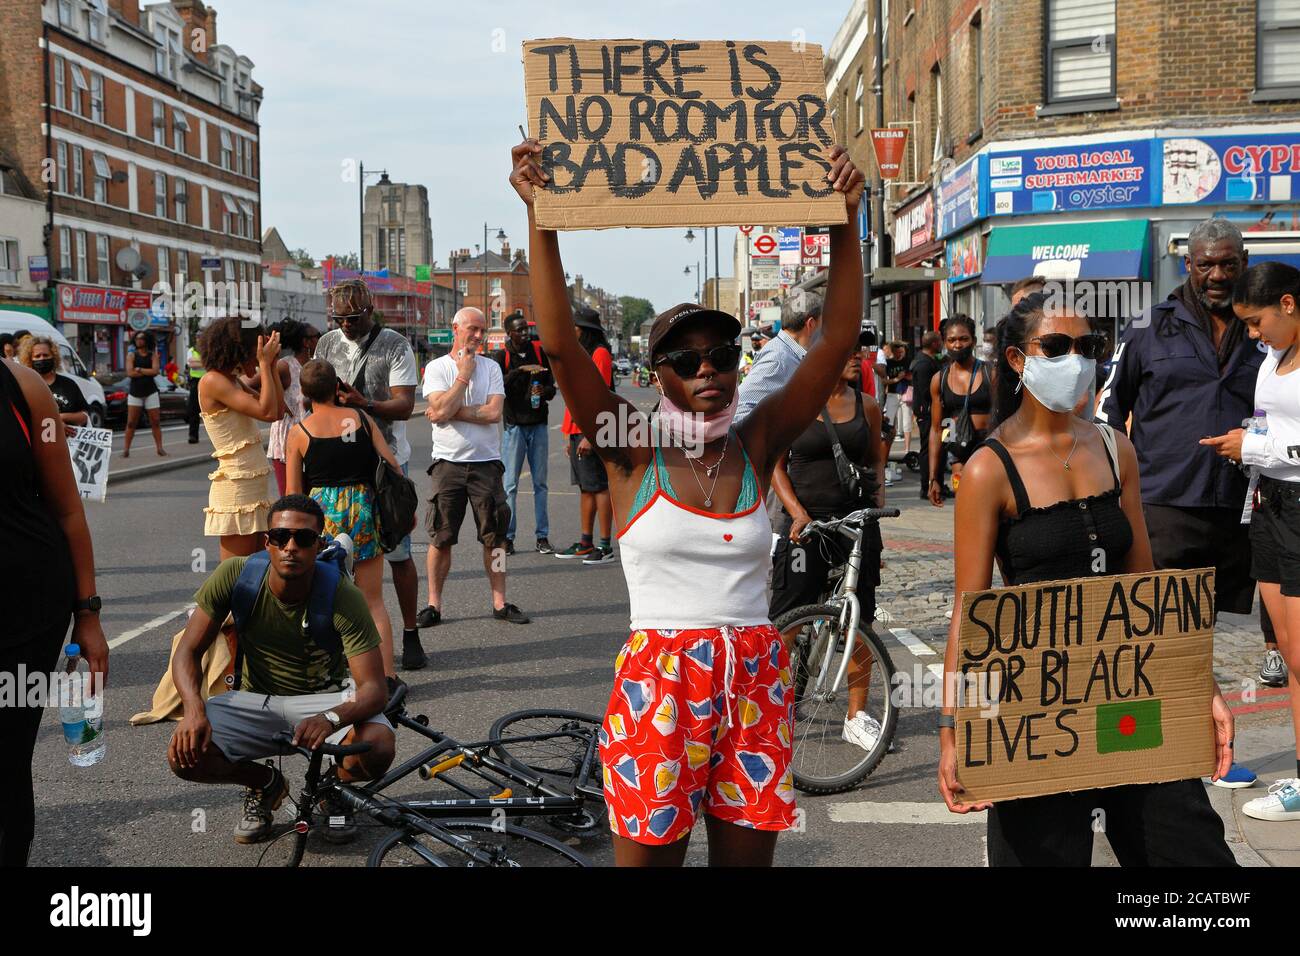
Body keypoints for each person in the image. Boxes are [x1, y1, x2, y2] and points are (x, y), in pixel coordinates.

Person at [511, 135, 865, 866]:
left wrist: (843, 220)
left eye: (723, 356)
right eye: (686, 359)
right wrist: (540, 217)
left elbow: (832, 346)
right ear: (658, 372)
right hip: (660, 685)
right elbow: (562, 349)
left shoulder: (756, 442)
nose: (709, 370)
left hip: (755, 680)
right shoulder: (628, 445)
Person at [937, 291, 1236, 866]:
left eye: (1088, 346)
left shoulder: (1113, 447)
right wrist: (953, 728)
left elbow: (1146, 585)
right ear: (1018, 359)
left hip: (1131, 691)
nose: (1074, 359)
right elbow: (968, 612)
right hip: (1036, 707)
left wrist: (1203, 687)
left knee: (1193, 860)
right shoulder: (987, 469)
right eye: (1055, 346)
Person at [167, 494, 395, 845]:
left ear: (318, 544)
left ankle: (330, 788)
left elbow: (374, 689)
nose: (291, 547)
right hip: (255, 698)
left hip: (325, 700)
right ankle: (264, 785)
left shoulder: (342, 594)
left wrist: (331, 718)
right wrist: (194, 710)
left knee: (377, 745)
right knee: (184, 754)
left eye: (303, 539)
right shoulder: (237, 575)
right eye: (280, 537)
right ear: (267, 542)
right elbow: (188, 650)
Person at [1098, 218, 1265, 664]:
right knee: (1156, 628)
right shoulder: (1147, 326)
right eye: (1206, 265)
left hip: (1238, 507)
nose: (1218, 276)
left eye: (1229, 264)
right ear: (1188, 264)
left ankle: (1196, 717)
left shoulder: (1264, 334)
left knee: (1204, 630)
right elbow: (1109, 409)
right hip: (1163, 505)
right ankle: (1158, 722)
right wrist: (1113, 486)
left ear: (1244, 263)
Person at [1202, 261, 1300, 823]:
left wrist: (1256, 449)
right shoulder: (1273, 355)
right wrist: (1247, 439)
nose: (1254, 335)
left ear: (1288, 303)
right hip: (1269, 504)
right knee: (1288, 655)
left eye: (1258, 321)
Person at [1, 357, 108, 866]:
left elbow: (67, 507)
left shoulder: (22, 387)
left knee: (6, 755)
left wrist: (87, 613)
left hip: (23, 612)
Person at [770, 348, 886, 750]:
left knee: (859, 618)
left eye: (860, 351)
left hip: (855, 525)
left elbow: (876, 463)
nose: (857, 358)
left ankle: (856, 716)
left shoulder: (867, 405)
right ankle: (773, 712)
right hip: (808, 525)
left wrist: (877, 515)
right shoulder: (795, 404)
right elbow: (775, 466)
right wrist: (797, 514)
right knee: (788, 621)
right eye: (847, 351)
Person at [315, 281, 424, 670]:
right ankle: (349, 649)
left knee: (398, 554)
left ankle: (410, 633)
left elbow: (406, 405)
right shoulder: (327, 344)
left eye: (353, 318)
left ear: (371, 310)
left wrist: (366, 404)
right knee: (339, 558)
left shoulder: (395, 344)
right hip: (341, 467)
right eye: (339, 318)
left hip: (385, 464)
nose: (345, 325)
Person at [286, 359, 403, 690]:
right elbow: (394, 467)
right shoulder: (362, 420)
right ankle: (387, 676)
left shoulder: (301, 431)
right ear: (337, 387)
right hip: (363, 508)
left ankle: (327, 675)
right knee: (373, 600)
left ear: (304, 394)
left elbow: (293, 495)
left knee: (323, 596)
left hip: (323, 515)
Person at [419, 307, 529, 625]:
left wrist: (449, 409)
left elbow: (493, 413)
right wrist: (463, 376)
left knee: (494, 538)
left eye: (482, 330)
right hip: (447, 464)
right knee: (440, 537)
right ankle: (433, 605)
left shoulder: (492, 368)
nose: (478, 336)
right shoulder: (437, 367)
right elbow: (437, 410)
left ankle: (499, 602)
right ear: (456, 328)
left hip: (486, 465)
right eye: (473, 329)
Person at [197, 317, 282, 560]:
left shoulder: (233, 382)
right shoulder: (212, 381)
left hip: (253, 486)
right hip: (236, 487)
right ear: (239, 350)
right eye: (254, 353)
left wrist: (272, 366)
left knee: (256, 571)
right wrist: (264, 366)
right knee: (236, 575)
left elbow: (276, 411)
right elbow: (266, 412)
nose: (257, 359)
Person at [556, 306, 617, 563]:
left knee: (600, 487)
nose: (573, 331)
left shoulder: (600, 354)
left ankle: (605, 546)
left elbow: (599, 397)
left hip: (592, 431)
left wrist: (589, 436)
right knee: (586, 489)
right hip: (577, 430)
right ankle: (585, 541)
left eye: (576, 327)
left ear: (586, 330)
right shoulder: (581, 354)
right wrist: (569, 431)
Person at [493, 310, 556, 555]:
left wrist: (545, 392)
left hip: (538, 424)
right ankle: (507, 538)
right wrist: (520, 371)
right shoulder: (503, 356)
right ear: (509, 333)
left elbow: (552, 386)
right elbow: (497, 387)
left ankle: (542, 536)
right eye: (519, 330)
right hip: (514, 427)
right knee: (510, 486)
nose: (524, 333)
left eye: (526, 329)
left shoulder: (539, 353)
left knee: (541, 484)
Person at [734, 289, 822, 426]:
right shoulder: (779, 358)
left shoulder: (790, 353)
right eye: (822, 323)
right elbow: (740, 410)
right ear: (811, 324)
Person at [928, 315, 990, 504]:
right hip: (958, 451)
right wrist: (934, 479)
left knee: (989, 504)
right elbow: (937, 429)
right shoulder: (939, 379)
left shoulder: (990, 373)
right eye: (952, 340)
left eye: (963, 339)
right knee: (964, 502)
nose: (957, 344)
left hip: (988, 449)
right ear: (944, 342)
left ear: (974, 341)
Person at [265, 319, 317, 496]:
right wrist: (280, 403)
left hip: (313, 438)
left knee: (312, 499)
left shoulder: (316, 366)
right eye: (317, 336)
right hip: (287, 438)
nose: (320, 339)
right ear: (306, 341)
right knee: (291, 499)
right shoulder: (285, 366)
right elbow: (248, 383)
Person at [18, 336, 88, 433]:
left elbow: (84, 415)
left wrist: (62, 417)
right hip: (39, 445)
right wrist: (54, 424)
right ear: (30, 360)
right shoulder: (24, 386)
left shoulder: (68, 384)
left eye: (46, 355)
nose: (42, 358)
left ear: (54, 357)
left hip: (69, 445)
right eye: (37, 356)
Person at [910, 331, 943, 500]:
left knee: (940, 446)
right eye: (940, 341)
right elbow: (926, 391)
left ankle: (938, 483)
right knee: (927, 448)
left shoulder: (928, 360)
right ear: (934, 344)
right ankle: (926, 486)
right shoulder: (923, 364)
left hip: (932, 411)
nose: (942, 344)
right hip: (927, 413)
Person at [122, 330, 165, 458]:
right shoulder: (131, 355)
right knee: (131, 422)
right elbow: (130, 373)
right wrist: (148, 371)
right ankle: (126, 450)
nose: (138, 341)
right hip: (135, 392)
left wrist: (140, 369)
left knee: (155, 421)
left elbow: (156, 371)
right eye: (137, 339)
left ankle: (160, 448)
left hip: (151, 392)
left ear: (146, 340)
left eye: (141, 338)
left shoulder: (153, 355)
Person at [185, 338, 205, 444]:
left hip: (207, 380)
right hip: (195, 382)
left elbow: (211, 363)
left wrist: (198, 362)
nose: (199, 340)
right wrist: (205, 362)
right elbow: (191, 364)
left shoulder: (208, 349)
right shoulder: (191, 351)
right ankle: (193, 436)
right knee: (193, 409)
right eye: (197, 338)